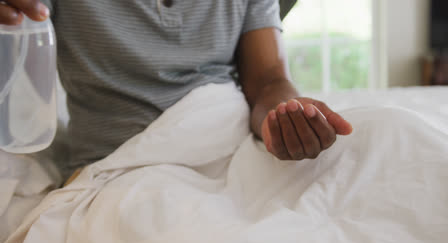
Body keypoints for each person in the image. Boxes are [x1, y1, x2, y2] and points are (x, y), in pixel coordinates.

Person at [0, 0, 353, 181]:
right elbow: (15, 64)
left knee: (396, 132)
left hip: (232, 158)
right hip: (118, 173)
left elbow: (268, 82)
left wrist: (283, 117)